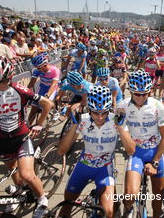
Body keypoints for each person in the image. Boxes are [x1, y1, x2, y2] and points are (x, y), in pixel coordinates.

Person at [0, 56, 53, 217]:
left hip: (22, 137)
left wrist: (39, 124)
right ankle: (19, 195)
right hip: (3, 139)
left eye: (5, 80)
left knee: (27, 173)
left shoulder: (20, 90)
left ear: (11, 76)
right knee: (15, 175)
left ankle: (42, 199)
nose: (1, 84)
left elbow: (48, 104)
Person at [57, 86, 135, 218]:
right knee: (65, 209)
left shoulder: (116, 120)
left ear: (109, 109)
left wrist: (121, 128)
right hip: (83, 165)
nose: (100, 117)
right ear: (89, 109)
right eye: (95, 113)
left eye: (104, 113)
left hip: (104, 168)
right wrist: (75, 124)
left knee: (108, 213)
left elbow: (131, 150)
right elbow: (61, 151)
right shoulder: (83, 120)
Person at [117, 70, 164, 218]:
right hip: (136, 153)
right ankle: (128, 209)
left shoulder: (157, 106)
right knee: (129, 197)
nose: (140, 98)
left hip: (155, 153)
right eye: (137, 94)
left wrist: (155, 162)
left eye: (144, 94)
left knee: (158, 198)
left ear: (150, 91)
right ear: (131, 91)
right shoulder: (122, 106)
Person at [27, 53, 60, 121]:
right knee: (34, 108)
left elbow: (53, 85)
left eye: (39, 67)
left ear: (45, 65)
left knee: (47, 103)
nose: (37, 69)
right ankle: (28, 126)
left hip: (52, 89)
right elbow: (31, 83)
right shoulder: (37, 71)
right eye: (36, 67)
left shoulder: (55, 70)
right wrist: (27, 93)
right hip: (42, 88)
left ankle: (55, 111)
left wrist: (47, 96)